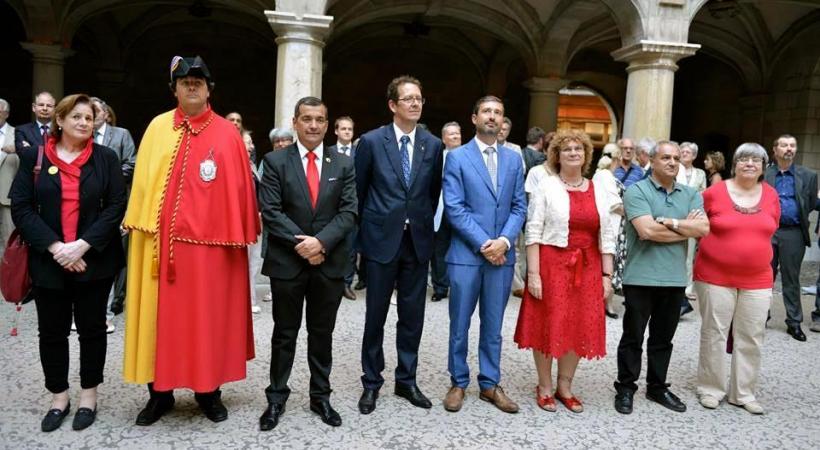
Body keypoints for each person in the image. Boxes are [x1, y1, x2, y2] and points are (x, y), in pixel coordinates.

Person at [122, 56, 260, 425]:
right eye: (185, 81)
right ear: (174, 89)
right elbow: (144, 184)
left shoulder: (228, 133)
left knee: (206, 321)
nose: (192, 85)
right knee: (159, 324)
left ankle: (208, 393)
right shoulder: (156, 127)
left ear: (210, 88)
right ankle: (159, 394)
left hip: (211, 251)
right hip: (159, 247)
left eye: (199, 80)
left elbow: (240, 192)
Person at [10, 93, 127, 431]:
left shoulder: (105, 158)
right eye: (76, 116)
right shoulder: (33, 157)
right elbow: (22, 207)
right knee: (52, 332)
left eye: (89, 118)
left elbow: (116, 206)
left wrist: (81, 246)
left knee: (92, 330)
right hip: (49, 261)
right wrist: (56, 247)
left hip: (94, 261)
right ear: (59, 120)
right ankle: (59, 396)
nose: (83, 123)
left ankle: (89, 395)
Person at [257, 96, 357, 430]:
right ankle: (275, 398)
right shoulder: (275, 161)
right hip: (288, 262)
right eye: (307, 119)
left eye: (319, 120)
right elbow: (270, 211)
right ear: (296, 122)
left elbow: (349, 211)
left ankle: (321, 397)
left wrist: (322, 243)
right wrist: (303, 243)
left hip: (327, 262)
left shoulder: (342, 164)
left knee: (321, 333)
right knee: (284, 333)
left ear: (327, 125)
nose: (313, 125)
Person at [355, 75, 443, 415]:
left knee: (413, 317)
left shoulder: (432, 145)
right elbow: (360, 194)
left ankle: (406, 380)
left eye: (419, 98)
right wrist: (363, 239)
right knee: (375, 314)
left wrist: (418, 222)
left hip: (417, 241)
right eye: (408, 99)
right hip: (380, 241)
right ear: (393, 105)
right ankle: (371, 383)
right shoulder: (372, 142)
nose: (415, 104)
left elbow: (432, 194)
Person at [516, 129, 614, 413]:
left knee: (579, 323)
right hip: (552, 263)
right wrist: (533, 274)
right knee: (549, 322)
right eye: (567, 149)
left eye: (579, 149)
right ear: (557, 155)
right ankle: (544, 386)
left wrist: (607, 276)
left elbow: (606, 235)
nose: (573, 153)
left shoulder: (598, 189)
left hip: (589, 265)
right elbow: (533, 231)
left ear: (586, 155)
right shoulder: (547, 186)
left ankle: (565, 386)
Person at [441, 95, 527, 414]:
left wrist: (503, 241)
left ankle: (490, 384)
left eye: (498, 113)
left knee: (493, 324)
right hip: (466, 254)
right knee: (459, 323)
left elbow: (519, 205)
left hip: (501, 258)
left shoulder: (513, 159)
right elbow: (454, 207)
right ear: (474, 118)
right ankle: (458, 382)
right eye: (487, 111)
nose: (492, 117)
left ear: (503, 121)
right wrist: (485, 244)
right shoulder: (458, 158)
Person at [613, 140, 709, 415]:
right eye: (666, 157)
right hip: (640, 277)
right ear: (652, 161)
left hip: (674, 279)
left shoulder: (691, 194)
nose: (672, 162)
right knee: (633, 337)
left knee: (663, 339)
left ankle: (657, 387)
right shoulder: (636, 190)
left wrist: (671, 222)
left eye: (676, 158)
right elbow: (647, 232)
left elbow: (703, 228)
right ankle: (626, 388)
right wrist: (684, 229)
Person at [693, 143, 779, 415]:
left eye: (756, 160)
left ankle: (743, 393)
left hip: (758, 278)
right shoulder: (714, 192)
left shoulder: (771, 195)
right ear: (734, 164)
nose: (750, 164)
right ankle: (711, 388)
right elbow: (697, 225)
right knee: (714, 333)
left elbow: (771, 226)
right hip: (714, 275)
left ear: (764, 167)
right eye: (744, 159)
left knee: (751, 335)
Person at [764, 134, 817, 341]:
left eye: (792, 145)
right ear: (775, 150)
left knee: (791, 278)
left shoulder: (809, 175)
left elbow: (810, 203)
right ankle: (761, 318)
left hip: (793, 232)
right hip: (767, 231)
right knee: (763, 276)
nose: (789, 149)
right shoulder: (764, 174)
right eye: (784, 145)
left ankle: (794, 322)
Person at [90, 96, 137, 329]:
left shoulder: (121, 135)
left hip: (116, 205)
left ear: (106, 114)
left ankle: (111, 307)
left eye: (94, 111)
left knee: (115, 257)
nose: (90, 116)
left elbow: (132, 163)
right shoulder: (81, 136)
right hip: (88, 208)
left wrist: (106, 180)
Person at [593, 142, 626, 318]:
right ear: (617, 158)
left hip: (612, 227)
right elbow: (615, 205)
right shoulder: (605, 175)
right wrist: (633, 211)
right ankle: (607, 304)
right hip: (612, 228)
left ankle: (606, 303)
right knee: (609, 266)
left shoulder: (602, 174)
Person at [327, 116, 358, 300]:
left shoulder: (359, 152)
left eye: (350, 129)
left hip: (352, 206)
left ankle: (346, 283)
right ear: (336, 131)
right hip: (331, 207)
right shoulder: (327, 152)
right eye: (343, 129)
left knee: (350, 247)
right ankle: (331, 281)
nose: (347, 132)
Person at [431, 121, 462, 302]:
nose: (455, 136)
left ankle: (458, 287)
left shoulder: (469, 156)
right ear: (443, 138)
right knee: (439, 250)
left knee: (460, 249)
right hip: (440, 209)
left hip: (462, 210)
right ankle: (440, 287)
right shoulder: (437, 157)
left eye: (457, 133)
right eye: (451, 134)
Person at [676, 142, 708, 316]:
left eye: (688, 152)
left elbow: (703, 192)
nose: (684, 154)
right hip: (677, 215)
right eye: (683, 151)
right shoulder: (674, 168)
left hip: (693, 216)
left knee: (689, 254)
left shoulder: (700, 173)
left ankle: (687, 288)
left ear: (694, 156)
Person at [243, 130, 263, 314]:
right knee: (245, 263)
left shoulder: (252, 166)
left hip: (256, 220)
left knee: (254, 263)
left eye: (251, 142)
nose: (251, 146)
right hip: (242, 222)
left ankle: (251, 298)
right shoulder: (235, 166)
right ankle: (246, 301)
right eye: (247, 142)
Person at [0, 98, 17, 262]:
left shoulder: (17, 134)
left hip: (6, 196)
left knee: (8, 241)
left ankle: (5, 284)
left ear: (6, 113)